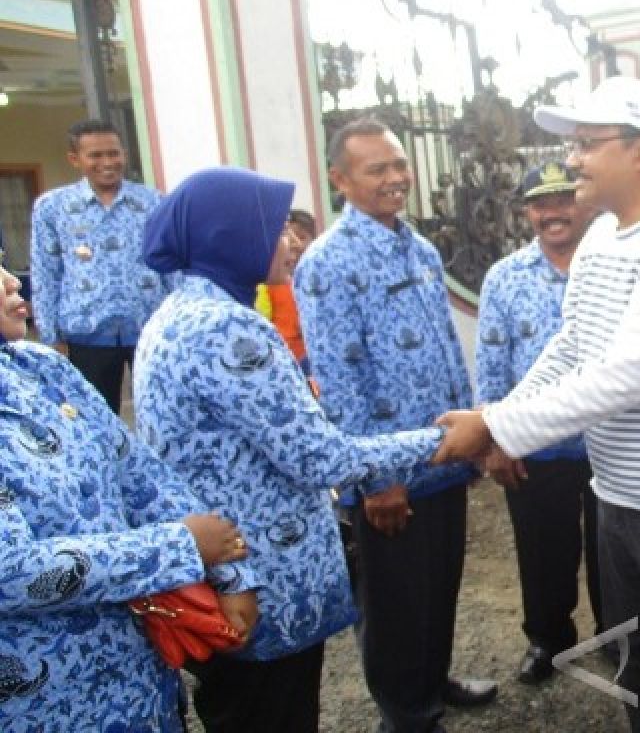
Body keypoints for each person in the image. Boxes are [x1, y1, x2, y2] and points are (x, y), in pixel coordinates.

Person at [438, 75, 640, 733]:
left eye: (587, 143)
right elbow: (574, 344)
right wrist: (505, 422)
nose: (571, 159)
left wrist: (495, 424)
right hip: (621, 496)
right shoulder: (605, 236)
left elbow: (627, 374)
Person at [134, 166, 449, 733]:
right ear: (228, 237)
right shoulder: (226, 329)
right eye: (277, 228)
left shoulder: (178, 314)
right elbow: (318, 457)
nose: (292, 241)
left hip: (230, 569)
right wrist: (444, 440)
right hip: (260, 578)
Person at [294, 119, 494, 733]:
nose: (395, 178)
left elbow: (446, 353)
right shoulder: (329, 262)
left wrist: (474, 441)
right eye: (377, 169)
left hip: (443, 454)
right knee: (395, 601)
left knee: (439, 585)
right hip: (389, 472)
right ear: (340, 179)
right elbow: (337, 381)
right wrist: (375, 479)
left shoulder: (421, 248)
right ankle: (404, 713)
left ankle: (432, 681)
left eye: (399, 165)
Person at [0, 256, 257, 731]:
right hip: (50, 709)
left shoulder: (40, 368)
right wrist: (180, 547)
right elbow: (11, 572)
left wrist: (230, 573)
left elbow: (140, 475)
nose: (13, 280)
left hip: (139, 680)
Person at [475, 161, 603, 685]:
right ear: (527, 211)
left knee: (612, 549)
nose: (552, 211)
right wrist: (496, 440)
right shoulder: (504, 278)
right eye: (539, 202)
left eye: (563, 198)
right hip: (536, 445)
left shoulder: (611, 266)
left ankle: (623, 634)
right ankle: (548, 640)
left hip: (608, 442)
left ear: (583, 202)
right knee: (541, 550)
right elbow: (490, 364)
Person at [30, 119, 171, 413]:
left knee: (159, 411)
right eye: (96, 155)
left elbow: (171, 265)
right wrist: (51, 336)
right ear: (75, 160)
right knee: (96, 417)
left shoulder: (153, 202)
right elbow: (45, 272)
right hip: (86, 334)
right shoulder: (53, 207)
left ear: (124, 154)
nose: (107, 162)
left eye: (114, 153)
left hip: (149, 329)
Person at [256, 208, 318, 372]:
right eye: (284, 233)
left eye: (302, 237)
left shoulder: (320, 280)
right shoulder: (269, 284)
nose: (295, 243)